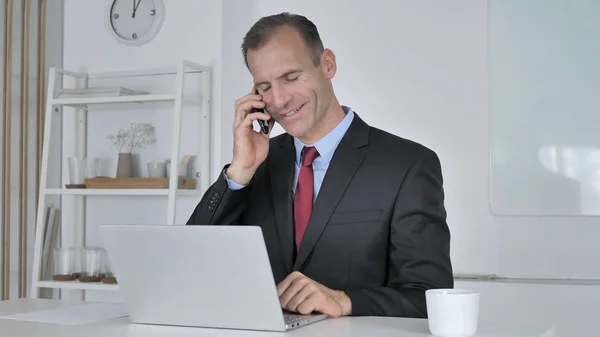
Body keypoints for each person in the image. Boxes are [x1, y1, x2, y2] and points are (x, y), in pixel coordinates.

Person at [186, 12, 453, 318]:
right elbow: (192, 263)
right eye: (264, 87)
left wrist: (345, 301)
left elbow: (429, 297)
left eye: (291, 77)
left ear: (327, 64)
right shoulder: (256, 165)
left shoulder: (408, 165)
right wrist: (240, 172)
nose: (280, 99)